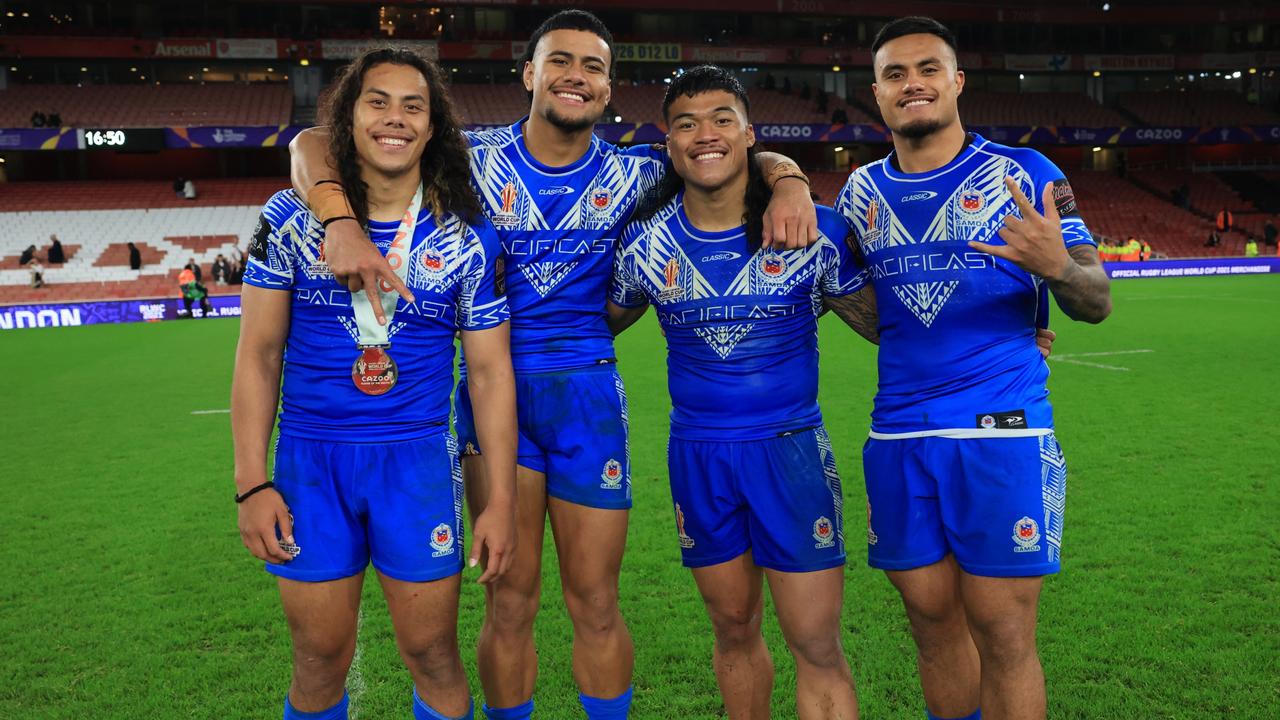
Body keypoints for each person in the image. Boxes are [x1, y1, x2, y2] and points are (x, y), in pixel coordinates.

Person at [288, 11, 818, 719]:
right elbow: (313, 141)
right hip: (491, 393)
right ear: (530, 75)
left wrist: (790, 181)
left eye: (593, 66)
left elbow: (730, 152)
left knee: (596, 601)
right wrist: (339, 219)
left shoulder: (639, 172)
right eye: (560, 61)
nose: (577, 75)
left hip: (588, 399)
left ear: (608, 89)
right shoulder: (468, 157)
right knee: (509, 602)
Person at [835, 17, 1111, 720]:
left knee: (1006, 634)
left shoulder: (1023, 175)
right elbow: (878, 314)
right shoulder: (859, 195)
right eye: (895, 74)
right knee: (930, 629)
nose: (912, 84)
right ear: (876, 93)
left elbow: (1096, 299)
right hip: (899, 438)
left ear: (957, 82)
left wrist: (1056, 269)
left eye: (928, 69)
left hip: (1003, 432)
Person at [231, 47, 518, 720]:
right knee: (319, 660)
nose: (395, 118)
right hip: (310, 466)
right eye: (377, 102)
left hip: (414, 465)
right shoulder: (290, 219)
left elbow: (488, 374)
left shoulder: (468, 235)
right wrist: (251, 482)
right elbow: (258, 355)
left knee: (435, 657)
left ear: (433, 125)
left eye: (413, 105)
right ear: (349, 118)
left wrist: (499, 500)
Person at [608, 65, 873, 720]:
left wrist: (1009, 328)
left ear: (750, 134)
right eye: (686, 123)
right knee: (731, 629)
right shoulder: (643, 242)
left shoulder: (818, 230)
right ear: (667, 144)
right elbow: (589, 322)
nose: (706, 134)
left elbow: (886, 326)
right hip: (698, 457)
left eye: (723, 118)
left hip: (791, 453)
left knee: (815, 643)